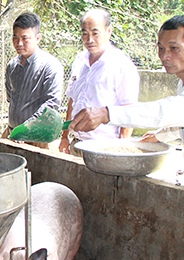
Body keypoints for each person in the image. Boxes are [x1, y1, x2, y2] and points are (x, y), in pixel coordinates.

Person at [69, 15, 184, 200]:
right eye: (161, 48)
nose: (165, 56)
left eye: (174, 48)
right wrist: (159, 136)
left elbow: (166, 112)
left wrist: (107, 113)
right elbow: (182, 121)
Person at [59, 9, 140, 154]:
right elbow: (72, 100)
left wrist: (120, 150)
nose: (89, 40)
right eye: (85, 34)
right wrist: (64, 137)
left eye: (95, 33)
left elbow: (129, 112)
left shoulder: (121, 65)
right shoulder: (79, 60)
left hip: (103, 149)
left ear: (108, 31)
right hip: (76, 144)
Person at [4, 12, 64, 149]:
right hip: (12, 135)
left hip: (37, 139)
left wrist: (26, 130)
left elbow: (51, 104)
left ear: (37, 38)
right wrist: (17, 132)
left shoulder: (50, 66)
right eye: (15, 37)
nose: (19, 43)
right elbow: (11, 98)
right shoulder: (12, 66)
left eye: (25, 39)